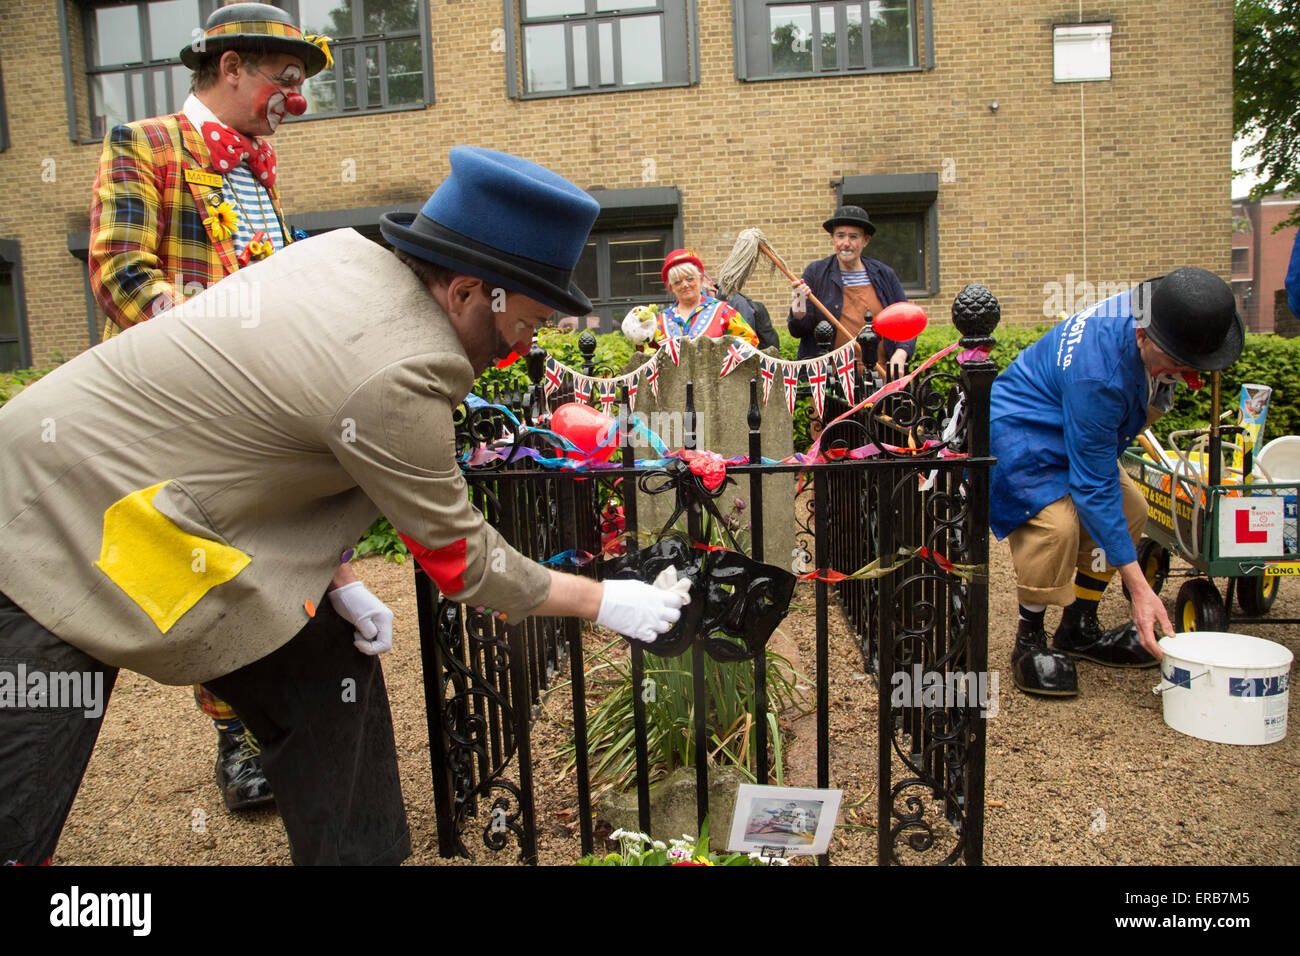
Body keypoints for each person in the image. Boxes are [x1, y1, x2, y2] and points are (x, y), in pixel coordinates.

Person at [0, 146, 690, 865]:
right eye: (529, 319)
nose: (530, 342)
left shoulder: (341, 257)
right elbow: (463, 562)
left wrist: (340, 578)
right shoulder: (402, 370)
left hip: (170, 501)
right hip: (45, 504)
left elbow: (278, 426)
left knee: (328, 660)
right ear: (463, 293)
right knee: (23, 778)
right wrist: (604, 601)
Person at [87, 2, 334, 812]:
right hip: (193, 400)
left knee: (277, 558)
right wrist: (210, 348)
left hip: (268, 402)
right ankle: (237, 742)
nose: (291, 100)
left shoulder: (257, 168)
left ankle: (287, 721)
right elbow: (122, 271)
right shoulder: (145, 143)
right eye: (283, 81)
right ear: (231, 69)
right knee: (214, 570)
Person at [991, 268, 1244, 696]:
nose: (1185, 374)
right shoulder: (1099, 374)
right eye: (1179, 363)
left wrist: (1170, 372)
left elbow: (1103, 473)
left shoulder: (1159, 310)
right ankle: (1028, 637)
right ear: (1144, 336)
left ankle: (1078, 627)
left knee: (1132, 511)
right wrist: (1140, 589)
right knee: (1057, 528)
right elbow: (1093, 486)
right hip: (1023, 429)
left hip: (1077, 419)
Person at [788, 205, 916, 376]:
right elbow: (798, 331)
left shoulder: (885, 275)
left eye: (853, 237)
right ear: (833, 238)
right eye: (840, 236)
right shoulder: (816, 273)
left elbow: (906, 322)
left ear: (866, 240)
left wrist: (901, 353)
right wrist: (799, 308)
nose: (845, 243)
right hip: (832, 383)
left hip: (880, 378)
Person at [655, 249, 758, 346]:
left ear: (700, 279)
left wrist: (725, 358)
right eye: (677, 282)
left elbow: (750, 340)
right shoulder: (662, 320)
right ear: (671, 287)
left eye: (690, 279)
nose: (685, 285)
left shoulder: (722, 311)